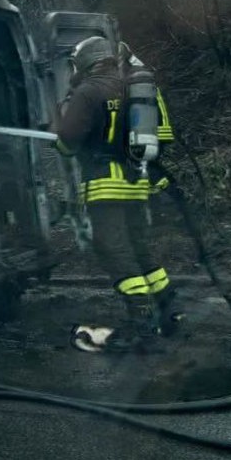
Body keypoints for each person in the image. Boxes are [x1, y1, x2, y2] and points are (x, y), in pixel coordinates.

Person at [50, 35, 184, 353]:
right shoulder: (135, 88)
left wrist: (55, 138)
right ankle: (168, 310)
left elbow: (67, 143)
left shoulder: (88, 91)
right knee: (139, 247)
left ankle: (141, 318)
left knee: (114, 249)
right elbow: (163, 135)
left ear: (83, 63)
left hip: (104, 184)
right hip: (136, 183)